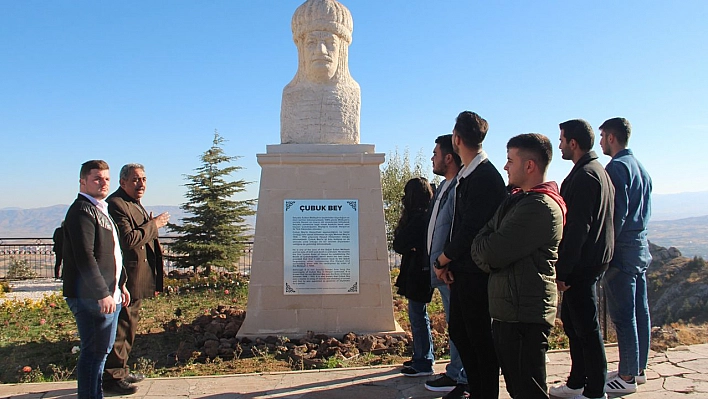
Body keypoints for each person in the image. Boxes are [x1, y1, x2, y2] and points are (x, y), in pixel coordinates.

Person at [472, 134, 566, 399]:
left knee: (529, 390)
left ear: (529, 166)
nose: (505, 167)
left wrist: (485, 249)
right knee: (518, 387)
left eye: (510, 160)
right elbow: (481, 237)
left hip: (524, 314)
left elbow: (490, 252)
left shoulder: (540, 208)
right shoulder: (518, 201)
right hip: (510, 311)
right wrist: (485, 245)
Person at [433, 111, 507, 399]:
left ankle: (484, 392)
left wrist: (443, 259)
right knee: (462, 333)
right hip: (463, 271)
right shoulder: (469, 174)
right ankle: (475, 388)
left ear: (457, 139)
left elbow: (470, 229)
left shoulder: (485, 176)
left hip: (477, 273)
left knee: (479, 339)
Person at [550, 119, 614, 399]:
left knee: (586, 328)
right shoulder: (595, 170)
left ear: (573, 143)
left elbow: (578, 228)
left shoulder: (586, 175)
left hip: (582, 265)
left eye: (562, 140)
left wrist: (562, 270)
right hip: (588, 262)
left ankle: (594, 389)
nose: (560, 145)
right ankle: (577, 381)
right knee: (574, 323)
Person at [62, 160, 130, 399]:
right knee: (94, 354)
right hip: (92, 297)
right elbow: (85, 256)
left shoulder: (99, 209)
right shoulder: (81, 211)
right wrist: (102, 292)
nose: (103, 183)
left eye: (106, 179)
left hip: (110, 294)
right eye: (97, 179)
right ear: (83, 182)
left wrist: (120, 285)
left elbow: (111, 252)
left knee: (101, 351)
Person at [103, 163, 169, 394]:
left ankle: (121, 369)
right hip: (126, 279)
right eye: (135, 180)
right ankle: (112, 377)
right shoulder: (116, 204)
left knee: (129, 325)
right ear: (123, 182)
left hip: (136, 278)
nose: (141, 184)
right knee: (122, 325)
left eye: (143, 179)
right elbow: (128, 240)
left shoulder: (133, 203)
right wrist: (155, 224)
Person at [598, 117, 652, 394]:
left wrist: (605, 250)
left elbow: (615, 216)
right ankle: (638, 368)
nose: (600, 142)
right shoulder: (640, 168)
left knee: (623, 314)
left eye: (602, 136)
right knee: (640, 310)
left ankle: (628, 377)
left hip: (622, 249)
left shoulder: (616, 168)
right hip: (640, 246)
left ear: (611, 137)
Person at [281, 0, 361, 144]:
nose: (321, 50)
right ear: (301, 49)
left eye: (330, 43)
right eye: (311, 43)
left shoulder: (353, 91)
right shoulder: (290, 94)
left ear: (342, 49)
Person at [423, 134, 467, 392]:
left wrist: (445, 261)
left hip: (450, 269)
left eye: (436, 153)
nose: (433, 158)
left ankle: (462, 377)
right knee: (454, 325)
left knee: (460, 327)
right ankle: (455, 371)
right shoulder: (442, 187)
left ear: (448, 157)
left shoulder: (459, 187)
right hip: (439, 268)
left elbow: (458, 230)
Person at [393, 177, 435, 377]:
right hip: (418, 271)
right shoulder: (427, 215)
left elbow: (400, 243)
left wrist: (409, 245)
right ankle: (421, 356)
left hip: (418, 273)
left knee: (418, 317)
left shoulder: (418, 218)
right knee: (418, 316)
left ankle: (424, 360)